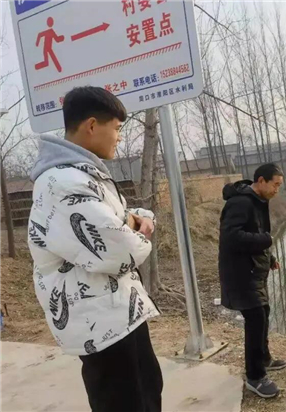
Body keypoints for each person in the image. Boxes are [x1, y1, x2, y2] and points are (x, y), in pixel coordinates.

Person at [28, 86, 163, 412]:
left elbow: (119, 219)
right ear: (91, 125)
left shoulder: (83, 174)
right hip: (99, 323)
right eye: (116, 128)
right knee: (125, 402)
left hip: (119, 311)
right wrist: (138, 229)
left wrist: (132, 221)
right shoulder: (63, 183)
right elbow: (119, 250)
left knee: (148, 390)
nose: (119, 137)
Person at [218, 164, 286, 399]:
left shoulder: (259, 201)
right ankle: (255, 377)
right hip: (240, 273)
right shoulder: (241, 203)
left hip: (254, 269)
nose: (277, 190)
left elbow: (256, 233)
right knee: (256, 318)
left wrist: (270, 257)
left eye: (279, 185)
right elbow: (230, 237)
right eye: (275, 184)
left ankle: (264, 358)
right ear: (261, 181)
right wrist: (265, 241)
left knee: (263, 313)